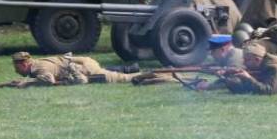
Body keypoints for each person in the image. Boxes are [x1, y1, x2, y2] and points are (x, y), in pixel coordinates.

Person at [10, 52, 164, 87]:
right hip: (84, 62)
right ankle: (137, 69)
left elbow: (49, 80)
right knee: (115, 71)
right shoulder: (38, 63)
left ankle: (153, 73)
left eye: (16, 67)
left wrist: (26, 83)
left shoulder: (40, 68)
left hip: (84, 69)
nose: (16, 70)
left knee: (120, 78)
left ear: (23, 64)